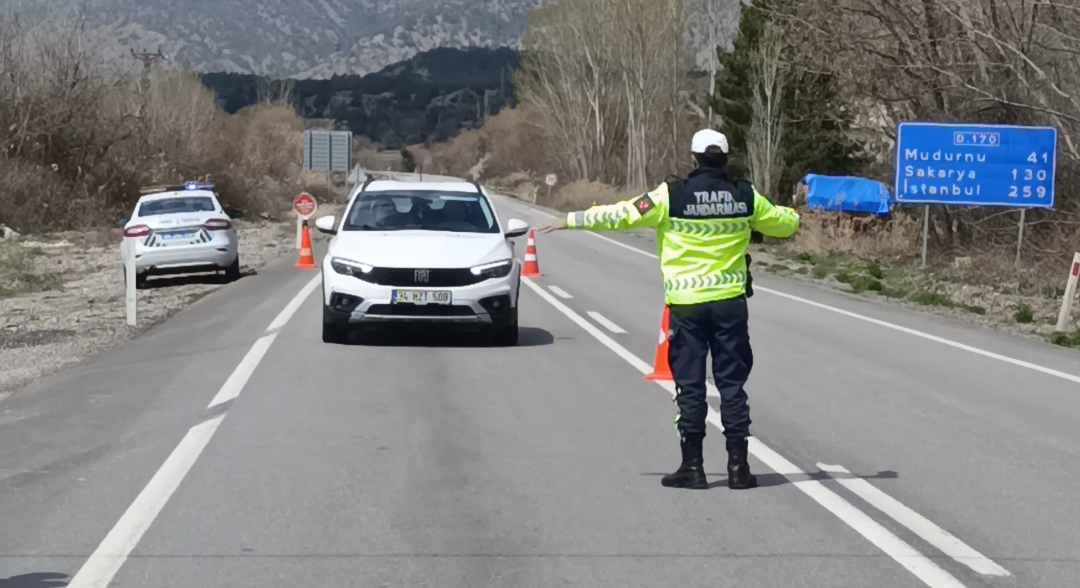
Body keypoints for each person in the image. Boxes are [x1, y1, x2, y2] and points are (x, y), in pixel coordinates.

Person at [537, 129, 800, 490]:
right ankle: (739, 468)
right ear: (725, 159)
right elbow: (784, 224)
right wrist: (795, 213)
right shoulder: (745, 196)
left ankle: (692, 468)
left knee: (690, 386)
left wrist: (571, 219)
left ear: (693, 158)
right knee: (732, 386)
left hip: (687, 308)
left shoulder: (670, 195)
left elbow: (622, 215)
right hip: (730, 306)